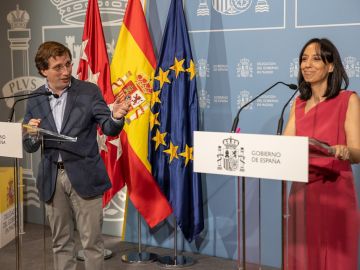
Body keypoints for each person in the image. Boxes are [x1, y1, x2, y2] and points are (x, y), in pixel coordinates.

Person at [23, 41, 130, 270]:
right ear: (44, 71)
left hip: (84, 174)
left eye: (68, 64)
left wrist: (117, 118)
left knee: (92, 242)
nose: (66, 71)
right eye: (58, 67)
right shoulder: (34, 98)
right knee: (61, 242)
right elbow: (28, 144)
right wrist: (31, 134)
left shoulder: (88, 91)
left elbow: (108, 128)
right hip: (52, 178)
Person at [283, 38, 360, 269]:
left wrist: (345, 151)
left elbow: (358, 152)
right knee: (303, 257)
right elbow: (285, 147)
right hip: (301, 191)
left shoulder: (348, 100)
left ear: (331, 66)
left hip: (334, 192)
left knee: (334, 258)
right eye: (303, 59)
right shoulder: (297, 103)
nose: (307, 64)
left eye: (316, 58)